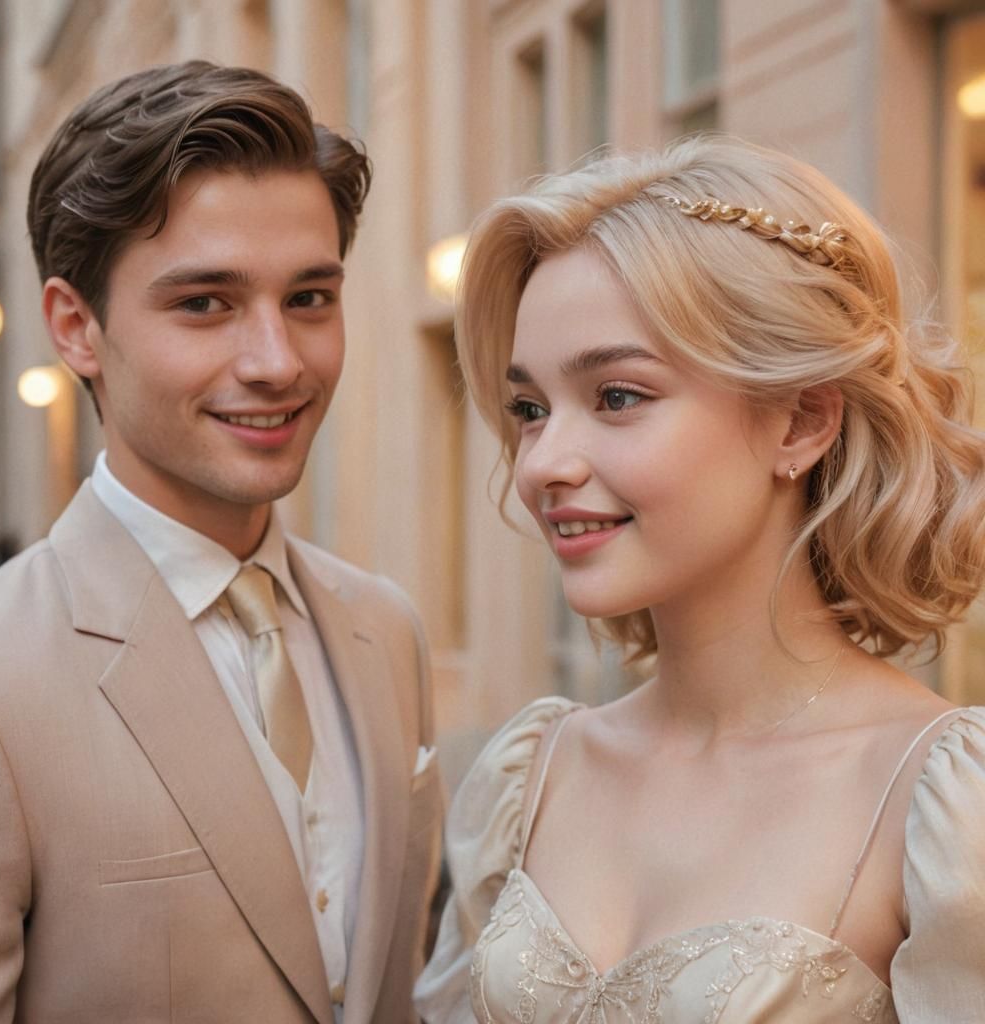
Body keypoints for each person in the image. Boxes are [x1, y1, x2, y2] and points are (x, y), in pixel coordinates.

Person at [414, 136, 985, 1022]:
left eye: (617, 396)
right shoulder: (531, 779)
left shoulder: (941, 804)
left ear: (800, 422)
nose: (544, 463)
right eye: (530, 409)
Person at [0, 61, 442, 1024]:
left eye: (309, 298)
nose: (277, 363)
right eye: (205, 304)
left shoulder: (385, 631)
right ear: (76, 328)